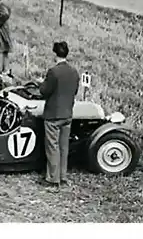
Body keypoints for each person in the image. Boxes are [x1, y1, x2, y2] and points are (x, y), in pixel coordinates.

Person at [38, 41, 80, 187]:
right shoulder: (74, 71)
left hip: (53, 115)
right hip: (67, 113)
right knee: (64, 147)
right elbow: (74, 91)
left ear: (54, 54)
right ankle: (63, 176)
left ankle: (52, 178)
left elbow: (44, 91)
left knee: (52, 147)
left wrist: (41, 83)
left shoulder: (53, 72)